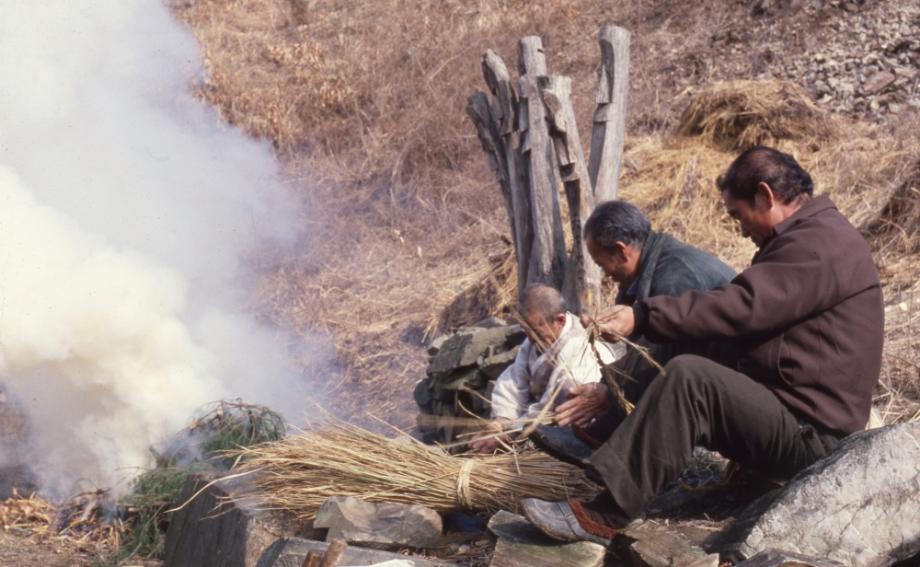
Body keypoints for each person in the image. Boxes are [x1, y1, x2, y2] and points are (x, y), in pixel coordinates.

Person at [522, 146, 884, 544]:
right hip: (797, 410)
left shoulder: (818, 244)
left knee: (691, 380)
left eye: (738, 215)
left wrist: (642, 316)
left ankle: (604, 515)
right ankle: (603, 432)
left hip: (813, 434)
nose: (741, 229)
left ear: (765, 196)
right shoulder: (812, 236)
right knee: (694, 340)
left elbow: (743, 307)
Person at [539, 201, 735, 449]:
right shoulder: (651, 269)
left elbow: (658, 358)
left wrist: (609, 392)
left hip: (732, 382)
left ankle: (604, 440)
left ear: (621, 251)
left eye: (601, 264)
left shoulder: (675, 277)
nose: (604, 273)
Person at [468, 284, 622, 453]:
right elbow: (514, 379)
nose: (530, 339)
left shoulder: (581, 348)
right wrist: (500, 422)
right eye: (526, 331)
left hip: (578, 436)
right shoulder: (535, 339)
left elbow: (553, 408)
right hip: (530, 425)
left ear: (560, 320)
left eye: (535, 332)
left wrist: (510, 433)